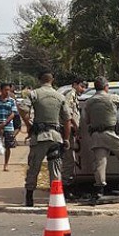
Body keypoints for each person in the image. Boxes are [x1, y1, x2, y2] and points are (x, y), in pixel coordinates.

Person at [19, 73, 72, 207]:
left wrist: (29, 124)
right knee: (55, 170)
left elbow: (22, 109)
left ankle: (29, 198)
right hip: (56, 138)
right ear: (52, 80)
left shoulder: (34, 94)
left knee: (34, 168)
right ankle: (56, 200)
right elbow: (67, 120)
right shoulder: (60, 96)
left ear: (39, 80)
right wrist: (66, 138)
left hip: (39, 137)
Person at [62, 78, 88, 199]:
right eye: (82, 86)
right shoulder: (70, 95)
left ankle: (68, 188)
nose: (83, 89)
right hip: (68, 131)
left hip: (71, 131)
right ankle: (66, 190)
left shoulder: (74, 96)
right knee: (69, 161)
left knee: (70, 160)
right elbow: (68, 113)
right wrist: (75, 126)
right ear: (75, 85)